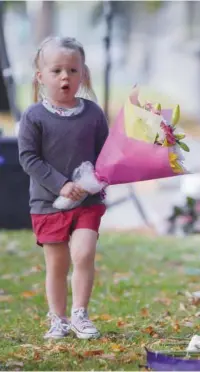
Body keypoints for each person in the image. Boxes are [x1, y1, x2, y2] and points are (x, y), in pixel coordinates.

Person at [17, 36, 109, 340]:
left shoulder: (94, 114)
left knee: (84, 254)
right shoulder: (33, 117)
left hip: (87, 202)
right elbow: (29, 158)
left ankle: (80, 315)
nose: (65, 77)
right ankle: (58, 318)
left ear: (83, 74)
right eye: (56, 70)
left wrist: (97, 181)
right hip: (48, 203)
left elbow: (105, 155)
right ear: (41, 76)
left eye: (72, 69)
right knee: (57, 265)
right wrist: (62, 184)